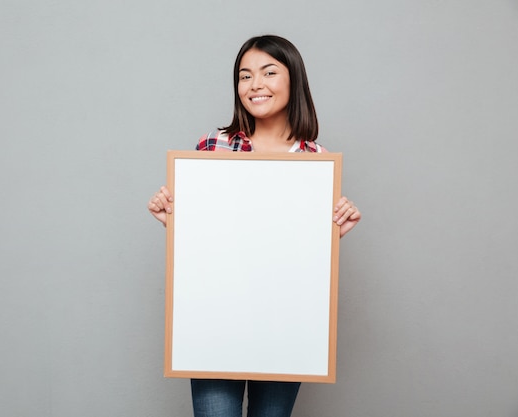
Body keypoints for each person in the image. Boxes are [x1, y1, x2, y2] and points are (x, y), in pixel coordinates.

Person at [147, 35, 361, 417]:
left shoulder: (316, 161)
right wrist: (174, 221)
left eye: (269, 72)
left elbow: (298, 256)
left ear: (293, 80)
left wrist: (331, 233)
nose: (255, 84)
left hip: (283, 324)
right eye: (245, 76)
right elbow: (209, 242)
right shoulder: (214, 146)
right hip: (217, 322)